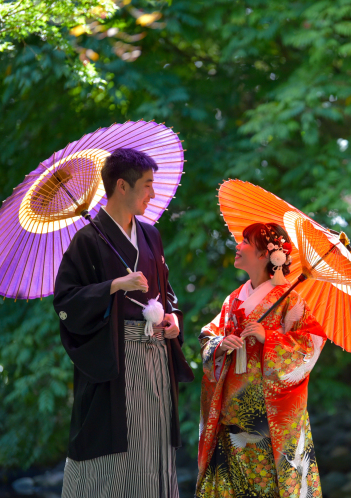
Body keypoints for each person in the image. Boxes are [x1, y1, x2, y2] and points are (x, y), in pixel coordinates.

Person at [54, 148, 193, 498]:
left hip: (155, 356)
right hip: (117, 360)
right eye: (147, 185)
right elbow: (67, 302)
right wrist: (114, 285)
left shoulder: (151, 236)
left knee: (155, 446)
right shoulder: (87, 241)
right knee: (117, 454)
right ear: (121, 186)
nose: (153, 194)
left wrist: (172, 319)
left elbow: (166, 293)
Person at [196, 223, 326, 498]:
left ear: (267, 255)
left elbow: (311, 344)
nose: (238, 246)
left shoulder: (291, 302)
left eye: (245, 241)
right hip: (231, 417)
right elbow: (209, 334)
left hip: (269, 420)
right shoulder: (234, 300)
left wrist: (271, 338)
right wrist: (221, 345)